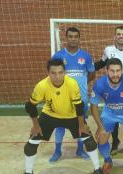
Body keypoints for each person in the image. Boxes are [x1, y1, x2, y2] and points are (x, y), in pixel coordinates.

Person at [16, 59, 106, 174]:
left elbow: (79, 106)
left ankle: (97, 169)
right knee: (30, 144)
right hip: (50, 115)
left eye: (60, 72)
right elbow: (30, 106)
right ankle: (28, 172)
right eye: (53, 73)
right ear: (48, 73)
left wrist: (81, 125)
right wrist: (36, 126)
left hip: (72, 115)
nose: (57, 76)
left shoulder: (72, 83)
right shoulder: (41, 86)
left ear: (64, 72)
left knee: (90, 141)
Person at [49, 27, 95, 163]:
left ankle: (80, 150)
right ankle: (57, 151)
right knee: (59, 125)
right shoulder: (58, 56)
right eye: (70, 36)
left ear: (79, 38)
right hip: (62, 98)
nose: (73, 39)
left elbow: (92, 73)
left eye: (76, 36)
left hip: (81, 98)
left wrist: (81, 84)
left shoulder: (86, 56)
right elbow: (52, 74)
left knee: (81, 124)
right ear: (66, 38)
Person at [90, 58, 123, 174]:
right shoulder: (100, 84)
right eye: (112, 71)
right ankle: (108, 161)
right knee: (102, 137)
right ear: (106, 70)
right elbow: (93, 107)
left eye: (118, 71)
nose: (115, 74)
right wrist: (100, 127)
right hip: (109, 112)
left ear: (122, 71)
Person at [96, 26, 123, 155]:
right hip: (112, 88)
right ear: (114, 36)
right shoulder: (108, 50)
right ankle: (115, 142)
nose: (121, 36)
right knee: (113, 115)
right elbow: (101, 63)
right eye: (118, 34)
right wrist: (86, 69)